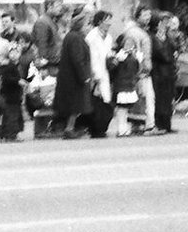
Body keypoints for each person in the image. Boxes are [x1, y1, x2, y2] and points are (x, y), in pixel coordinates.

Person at [52, 7, 93, 139]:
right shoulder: (76, 38)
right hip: (74, 78)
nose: (88, 27)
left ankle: (69, 128)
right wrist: (84, 76)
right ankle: (69, 129)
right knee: (75, 105)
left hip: (69, 76)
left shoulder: (71, 36)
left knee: (73, 105)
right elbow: (78, 59)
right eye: (86, 25)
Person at [124, 6, 156, 133]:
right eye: (145, 15)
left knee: (147, 98)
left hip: (145, 71)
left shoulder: (142, 31)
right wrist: (139, 69)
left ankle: (145, 125)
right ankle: (142, 125)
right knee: (143, 98)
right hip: (139, 72)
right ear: (137, 16)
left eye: (149, 15)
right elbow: (130, 52)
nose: (148, 17)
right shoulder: (133, 32)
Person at [85, 11, 115, 139]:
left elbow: (108, 54)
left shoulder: (109, 38)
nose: (109, 23)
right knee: (97, 101)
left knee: (106, 100)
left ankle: (101, 127)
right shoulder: (92, 37)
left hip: (105, 72)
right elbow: (91, 57)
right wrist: (94, 75)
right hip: (95, 73)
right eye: (106, 20)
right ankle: (96, 129)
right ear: (100, 22)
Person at [149, 13, 178, 135]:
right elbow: (160, 54)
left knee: (168, 98)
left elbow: (174, 49)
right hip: (158, 72)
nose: (165, 25)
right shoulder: (153, 37)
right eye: (162, 22)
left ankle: (167, 124)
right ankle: (160, 124)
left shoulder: (167, 37)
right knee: (160, 99)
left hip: (168, 72)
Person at [108, 35, 141, 137]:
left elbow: (136, 71)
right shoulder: (119, 56)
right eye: (127, 44)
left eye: (131, 44)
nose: (129, 46)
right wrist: (117, 59)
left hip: (129, 85)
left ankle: (124, 128)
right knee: (121, 108)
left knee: (125, 109)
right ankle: (121, 129)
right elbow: (111, 68)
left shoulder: (134, 57)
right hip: (121, 85)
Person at [0, 42, 29, 142]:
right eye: (12, 53)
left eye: (16, 52)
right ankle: (10, 135)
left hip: (16, 94)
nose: (14, 55)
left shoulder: (18, 65)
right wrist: (18, 81)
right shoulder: (7, 65)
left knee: (13, 114)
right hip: (8, 95)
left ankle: (6, 134)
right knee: (11, 115)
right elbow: (6, 78)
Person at [32, 0, 65, 79]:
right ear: (49, 6)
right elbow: (42, 46)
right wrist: (43, 67)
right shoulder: (42, 22)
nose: (60, 8)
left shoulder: (53, 21)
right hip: (49, 67)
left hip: (56, 64)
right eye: (58, 6)